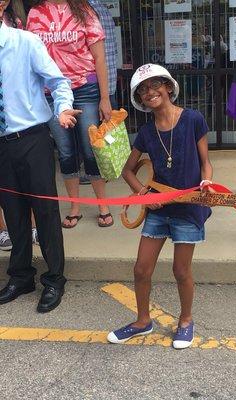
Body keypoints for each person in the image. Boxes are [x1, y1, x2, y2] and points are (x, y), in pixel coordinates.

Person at [107, 64, 213, 349]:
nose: (149, 92)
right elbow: (128, 170)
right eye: (143, 90)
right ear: (140, 99)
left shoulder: (193, 120)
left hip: (188, 209)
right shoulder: (145, 132)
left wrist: (206, 183)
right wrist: (143, 193)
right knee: (141, 270)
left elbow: (206, 162)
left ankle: (186, 320)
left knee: (181, 271)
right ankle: (142, 322)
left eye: (154, 85)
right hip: (157, 210)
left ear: (168, 87)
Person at [0, 3, 81, 312]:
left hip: (31, 139)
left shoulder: (26, 43)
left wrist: (62, 108)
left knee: (45, 212)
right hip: (1, 146)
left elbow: (58, 82)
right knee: (13, 212)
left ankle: (54, 279)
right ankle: (20, 276)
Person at [27, 0, 113, 228]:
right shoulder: (35, 13)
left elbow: (100, 58)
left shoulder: (84, 10)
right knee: (65, 151)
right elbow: (31, 59)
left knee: (91, 149)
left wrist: (105, 98)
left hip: (85, 89)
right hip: (51, 93)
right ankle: (75, 206)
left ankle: (102, 204)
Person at [0, 0, 39, 251]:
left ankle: (32, 226)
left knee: (29, 184)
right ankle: (4, 229)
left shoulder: (19, 27)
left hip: (17, 124)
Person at [80, 0, 118, 186]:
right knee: (107, 129)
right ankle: (110, 166)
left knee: (96, 133)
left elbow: (96, 55)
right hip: (108, 80)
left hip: (97, 84)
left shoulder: (88, 10)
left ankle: (102, 170)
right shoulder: (102, 8)